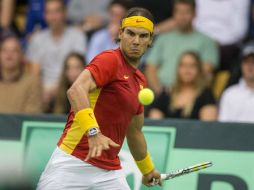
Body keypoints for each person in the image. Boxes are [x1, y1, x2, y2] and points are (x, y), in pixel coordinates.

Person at [37, 7, 161, 190]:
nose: (136, 41)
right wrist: (93, 132)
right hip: (73, 162)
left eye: (143, 36)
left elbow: (134, 132)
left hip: (110, 173)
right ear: (120, 33)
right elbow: (76, 90)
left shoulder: (140, 81)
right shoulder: (109, 59)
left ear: (150, 40)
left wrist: (148, 169)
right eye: (131, 34)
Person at [145, 0, 219, 95]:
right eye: (179, 12)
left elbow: (206, 72)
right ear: (173, 14)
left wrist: (183, 94)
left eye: (186, 12)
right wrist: (160, 92)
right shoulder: (163, 38)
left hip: (191, 95)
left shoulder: (207, 41)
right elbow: (151, 68)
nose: (182, 16)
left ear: (194, 14)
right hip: (161, 92)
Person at [26, 0, 86, 111]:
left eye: (56, 12)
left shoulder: (77, 36)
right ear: (45, 15)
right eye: (49, 12)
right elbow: (34, 73)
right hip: (44, 90)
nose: (53, 17)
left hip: (69, 84)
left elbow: (78, 69)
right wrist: (42, 90)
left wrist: (58, 89)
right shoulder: (37, 39)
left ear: (64, 13)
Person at [149, 51, 217, 121]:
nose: (187, 69)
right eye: (183, 65)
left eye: (192, 65)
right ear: (177, 69)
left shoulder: (206, 95)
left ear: (199, 70)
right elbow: (155, 121)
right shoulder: (167, 93)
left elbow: (208, 126)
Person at [194, 0, 250, 71]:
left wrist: (217, 42)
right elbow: (194, 24)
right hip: (202, 43)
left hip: (228, 47)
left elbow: (240, 31)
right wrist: (209, 42)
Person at [0, 35, 42, 113]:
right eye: (5, 50)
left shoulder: (32, 83)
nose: (9, 54)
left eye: (14, 51)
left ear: (21, 56)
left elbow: (31, 116)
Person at [219, 43, 254, 123]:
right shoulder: (229, 94)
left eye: (253, 62)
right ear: (241, 65)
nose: (250, 66)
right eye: (246, 62)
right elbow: (223, 126)